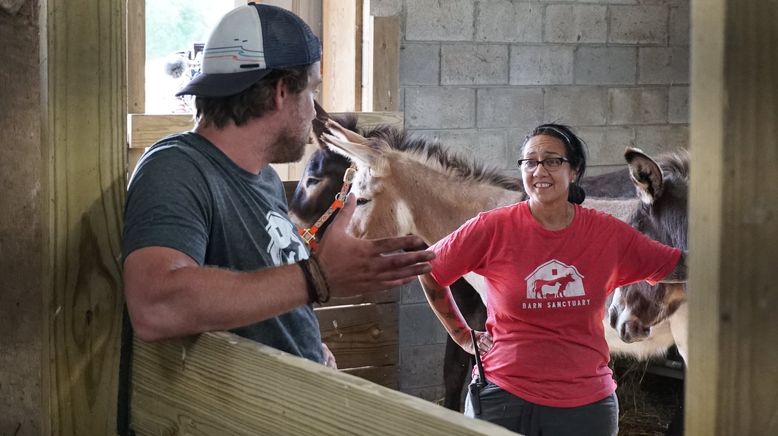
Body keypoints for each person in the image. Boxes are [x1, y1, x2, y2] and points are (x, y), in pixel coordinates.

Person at [122, 3, 433, 368]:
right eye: (311, 92)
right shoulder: (176, 169)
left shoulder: (264, 178)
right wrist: (318, 277)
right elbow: (156, 307)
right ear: (281, 92)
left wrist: (308, 344)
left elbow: (267, 289)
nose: (315, 111)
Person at [419, 123, 686, 436]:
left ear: (573, 171)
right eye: (530, 162)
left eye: (553, 161)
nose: (539, 170)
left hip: (585, 407)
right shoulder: (492, 228)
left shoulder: (606, 233)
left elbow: (678, 266)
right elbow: (429, 269)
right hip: (502, 399)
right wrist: (462, 335)